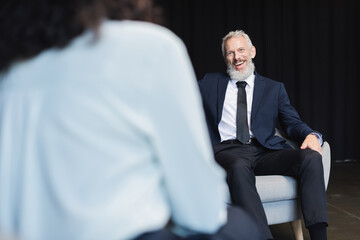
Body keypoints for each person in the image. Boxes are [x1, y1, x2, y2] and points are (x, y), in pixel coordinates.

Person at [0, 1, 265, 240]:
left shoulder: (13, 68)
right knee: (240, 225)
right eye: (231, 52)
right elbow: (202, 211)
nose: (236, 57)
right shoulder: (153, 47)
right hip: (133, 231)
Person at [198, 30, 328, 240]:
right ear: (225, 58)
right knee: (238, 167)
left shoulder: (274, 89)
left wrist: (312, 135)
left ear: (252, 51)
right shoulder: (209, 83)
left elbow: (292, 122)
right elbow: (180, 99)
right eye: (230, 53)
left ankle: (319, 235)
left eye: (241, 50)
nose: (237, 57)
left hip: (264, 150)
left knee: (311, 157)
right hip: (226, 150)